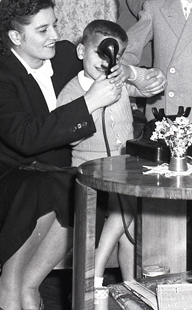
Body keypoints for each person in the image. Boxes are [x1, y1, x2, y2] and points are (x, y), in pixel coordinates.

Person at [0, 0, 124, 310]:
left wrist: (132, 74)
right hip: (2, 175)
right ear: (16, 37)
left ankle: (29, 283)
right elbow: (25, 138)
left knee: (80, 187)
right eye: (43, 30)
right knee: (45, 187)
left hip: (52, 171)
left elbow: (106, 58)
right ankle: (10, 284)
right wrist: (89, 102)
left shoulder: (65, 54)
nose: (55, 35)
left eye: (54, 25)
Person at [56, 20, 164, 304]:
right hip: (89, 168)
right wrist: (93, 102)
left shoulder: (119, 82)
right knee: (126, 206)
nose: (106, 62)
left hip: (123, 166)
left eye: (114, 55)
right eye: (99, 53)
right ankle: (95, 271)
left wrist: (129, 72)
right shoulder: (71, 92)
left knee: (129, 221)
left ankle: (131, 285)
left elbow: (151, 85)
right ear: (81, 51)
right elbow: (70, 137)